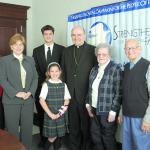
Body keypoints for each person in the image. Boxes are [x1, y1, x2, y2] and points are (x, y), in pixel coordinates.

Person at [0, 33, 38, 149]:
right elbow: (2, 79)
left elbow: (35, 78)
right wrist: (16, 93)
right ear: (11, 46)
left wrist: (30, 92)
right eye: (15, 44)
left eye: (21, 44)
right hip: (11, 101)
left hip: (28, 100)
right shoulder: (4, 60)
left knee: (27, 129)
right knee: (12, 130)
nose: (18, 47)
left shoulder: (30, 60)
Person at [61, 25, 96, 150]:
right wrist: (64, 94)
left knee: (86, 125)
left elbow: (97, 74)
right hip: (70, 94)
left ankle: (86, 147)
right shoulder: (66, 51)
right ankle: (74, 147)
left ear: (84, 35)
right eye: (74, 35)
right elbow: (63, 73)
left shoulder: (93, 50)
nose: (76, 37)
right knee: (73, 124)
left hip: (86, 95)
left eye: (79, 34)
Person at [32, 25, 65, 147]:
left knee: (57, 115)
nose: (48, 36)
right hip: (41, 89)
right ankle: (44, 139)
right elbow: (35, 71)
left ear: (53, 34)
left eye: (50, 34)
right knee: (42, 115)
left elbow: (63, 70)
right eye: (45, 34)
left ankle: (58, 140)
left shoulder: (61, 49)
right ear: (43, 35)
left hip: (57, 89)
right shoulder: (36, 51)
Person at [86, 43, 122, 150]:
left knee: (108, 138)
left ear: (109, 56)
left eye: (104, 54)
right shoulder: (94, 69)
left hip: (107, 111)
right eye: (99, 54)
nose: (101, 56)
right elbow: (90, 89)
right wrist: (88, 105)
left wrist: (113, 111)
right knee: (95, 137)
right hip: (93, 109)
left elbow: (119, 92)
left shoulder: (115, 69)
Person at [122, 38, 150, 150]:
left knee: (141, 147)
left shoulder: (147, 66)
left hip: (141, 117)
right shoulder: (125, 68)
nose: (130, 51)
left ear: (139, 49)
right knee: (128, 146)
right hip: (126, 115)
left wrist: (148, 119)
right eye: (127, 48)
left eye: (133, 48)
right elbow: (124, 92)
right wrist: (120, 112)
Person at [39, 62, 71, 150]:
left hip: (60, 114)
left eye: (56, 71)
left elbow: (67, 99)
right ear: (48, 73)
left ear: (60, 72)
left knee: (58, 136)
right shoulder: (46, 85)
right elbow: (41, 100)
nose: (54, 73)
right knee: (52, 137)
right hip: (50, 115)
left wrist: (60, 113)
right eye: (52, 71)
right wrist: (51, 114)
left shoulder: (63, 85)